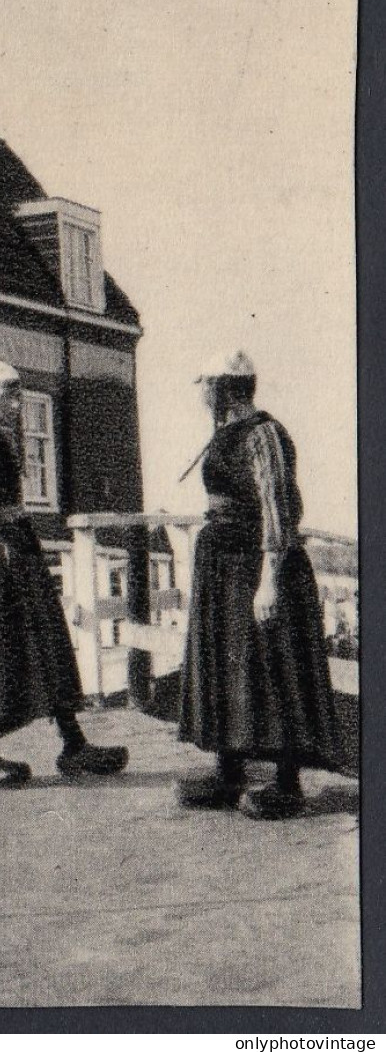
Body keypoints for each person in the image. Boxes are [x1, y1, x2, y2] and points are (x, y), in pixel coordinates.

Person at [0, 358, 129, 787]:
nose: (17, 402)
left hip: (13, 547)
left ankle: (74, 745)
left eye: (18, 392)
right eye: (11, 393)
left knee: (45, 639)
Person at [176, 350, 342, 819]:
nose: (202, 394)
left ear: (226, 387)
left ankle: (287, 783)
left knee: (274, 665)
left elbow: (279, 509)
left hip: (258, 564)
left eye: (206, 385)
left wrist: (269, 581)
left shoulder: (263, 433)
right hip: (223, 566)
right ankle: (228, 773)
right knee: (229, 664)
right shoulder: (225, 434)